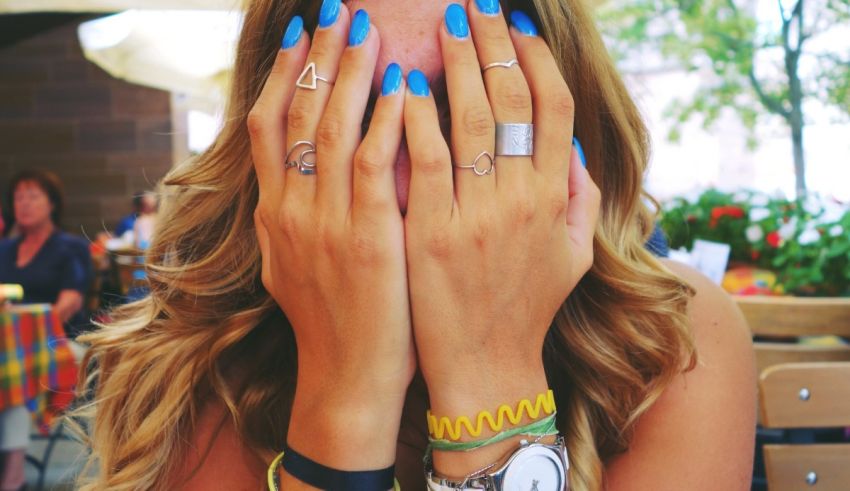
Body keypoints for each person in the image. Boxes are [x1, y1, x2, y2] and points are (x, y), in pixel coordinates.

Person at [73, 1, 757, 490]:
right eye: (357, 115)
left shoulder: (676, 337)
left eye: (462, 112)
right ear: (278, 129)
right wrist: (345, 398)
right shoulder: (192, 359)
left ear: (558, 122)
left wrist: (489, 371)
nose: (402, 176)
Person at [0, 170, 91, 490]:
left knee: (13, 366)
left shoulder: (70, 247)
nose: (24, 204)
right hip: (6, 344)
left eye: (33, 196)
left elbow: (70, 302)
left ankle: (13, 474)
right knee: (8, 361)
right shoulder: (5, 249)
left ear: (52, 203)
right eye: (19, 197)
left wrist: (28, 325)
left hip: (58, 342)